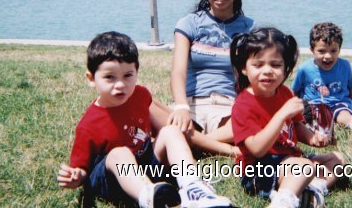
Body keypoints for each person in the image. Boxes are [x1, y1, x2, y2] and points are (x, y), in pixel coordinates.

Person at [57, 31, 232, 208]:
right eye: (109, 77)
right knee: (119, 152)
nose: (120, 84)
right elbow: (81, 169)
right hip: (112, 179)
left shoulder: (140, 95)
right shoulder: (89, 124)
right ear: (91, 78)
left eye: (127, 75)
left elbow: (162, 134)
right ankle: (150, 197)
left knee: (171, 131)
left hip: (145, 164)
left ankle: (193, 187)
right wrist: (76, 176)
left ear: (137, 72)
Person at [230, 27, 344, 208]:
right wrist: (281, 114)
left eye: (275, 65)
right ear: (244, 68)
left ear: (286, 69)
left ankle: (312, 190)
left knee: (337, 159)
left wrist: (313, 138)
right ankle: (284, 201)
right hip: (259, 170)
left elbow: (297, 125)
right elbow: (256, 150)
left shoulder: (285, 92)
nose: (267, 71)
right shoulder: (243, 104)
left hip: (291, 162)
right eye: (258, 65)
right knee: (303, 167)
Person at [168, 0, 255, 140]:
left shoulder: (251, 30)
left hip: (228, 109)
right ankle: (214, 142)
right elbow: (178, 72)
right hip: (189, 106)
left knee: (253, 120)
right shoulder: (188, 24)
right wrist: (181, 107)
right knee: (144, 101)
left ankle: (196, 141)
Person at [291, 22, 352, 139]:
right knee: (312, 113)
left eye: (333, 51)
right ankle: (311, 125)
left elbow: (350, 89)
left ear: (339, 50)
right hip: (314, 104)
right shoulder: (305, 69)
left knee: (343, 113)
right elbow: (295, 91)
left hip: (338, 103)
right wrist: (298, 106)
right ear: (312, 50)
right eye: (321, 51)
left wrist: (349, 104)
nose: (328, 56)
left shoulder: (345, 65)